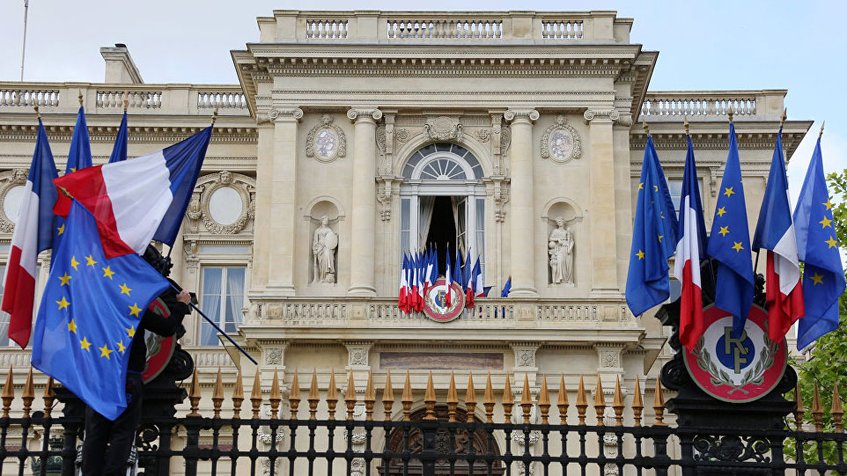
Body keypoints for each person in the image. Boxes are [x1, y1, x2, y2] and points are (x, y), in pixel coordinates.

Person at [81, 245, 192, 476]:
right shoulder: (131, 307)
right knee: (123, 432)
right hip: (127, 376)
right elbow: (167, 327)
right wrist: (181, 304)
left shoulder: (96, 304)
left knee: (95, 432)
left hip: (99, 377)